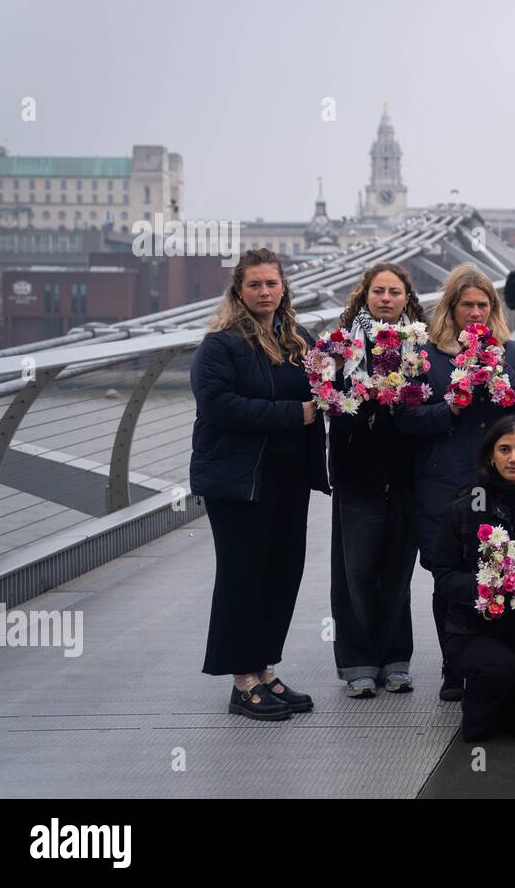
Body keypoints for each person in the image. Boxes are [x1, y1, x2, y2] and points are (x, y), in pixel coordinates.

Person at [190, 248, 329, 720]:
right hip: (239, 480)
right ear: (239, 291)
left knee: (282, 573)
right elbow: (219, 406)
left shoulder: (299, 339)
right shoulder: (221, 344)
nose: (265, 292)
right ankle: (242, 681)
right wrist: (296, 415)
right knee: (242, 577)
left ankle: (266, 669)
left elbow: (322, 392)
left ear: (284, 286)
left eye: (272, 283)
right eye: (255, 285)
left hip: (289, 477)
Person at [404, 264, 515, 702]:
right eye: (468, 305)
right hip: (444, 482)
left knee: (495, 567)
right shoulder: (427, 353)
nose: (476, 313)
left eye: (484, 305)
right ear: (452, 307)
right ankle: (452, 664)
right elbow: (407, 417)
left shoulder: (511, 350)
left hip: (496, 484)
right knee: (449, 575)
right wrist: (450, 408)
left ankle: (489, 655)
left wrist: (499, 371)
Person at [425, 416, 515, 744]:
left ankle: (506, 700)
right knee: (492, 688)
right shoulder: (464, 510)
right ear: (491, 455)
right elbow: (443, 574)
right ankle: (483, 700)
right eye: (505, 449)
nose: (514, 458)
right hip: (472, 632)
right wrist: (485, 589)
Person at [328, 262, 425, 697]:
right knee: (356, 574)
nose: (386, 298)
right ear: (364, 295)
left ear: (407, 298)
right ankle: (358, 663)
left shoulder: (420, 344)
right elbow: (326, 403)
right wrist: (360, 401)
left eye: (395, 292)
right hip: (358, 476)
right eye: (378, 291)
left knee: (398, 572)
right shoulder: (341, 345)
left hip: (406, 476)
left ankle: (396, 659)